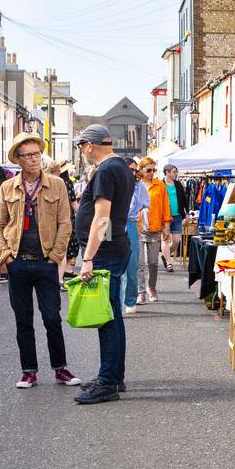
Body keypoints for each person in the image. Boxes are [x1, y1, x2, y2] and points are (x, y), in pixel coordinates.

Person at [0, 132, 82, 389]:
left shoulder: (57, 184)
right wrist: (5, 256)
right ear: (18, 159)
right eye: (28, 155)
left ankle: (60, 368)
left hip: (46, 262)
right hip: (17, 262)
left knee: (52, 316)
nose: (34, 159)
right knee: (23, 320)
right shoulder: (9, 187)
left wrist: (55, 256)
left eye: (36, 154)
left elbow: (66, 223)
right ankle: (28, 371)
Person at [73, 124, 136, 404]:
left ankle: (108, 382)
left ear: (89, 145)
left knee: (106, 317)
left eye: (81, 146)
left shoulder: (107, 169)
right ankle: (114, 376)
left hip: (106, 251)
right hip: (114, 246)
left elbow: (102, 218)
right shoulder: (120, 166)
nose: (82, 152)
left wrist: (87, 258)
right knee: (112, 314)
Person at [139, 158, 172, 303]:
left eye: (154, 170)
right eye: (149, 170)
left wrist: (167, 226)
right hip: (138, 228)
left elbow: (166, 206)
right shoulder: (135, 184)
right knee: (139, 263)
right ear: (141, 170)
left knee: (153, 262)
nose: (152, 173)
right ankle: (140, 292)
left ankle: (151, 287)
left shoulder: (160, 185)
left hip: (155, 228)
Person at [123, 158, 150, 315]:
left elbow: (146, 203)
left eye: (135, 170)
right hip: (111, 223)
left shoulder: (138, 186)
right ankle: (113, 301)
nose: (133, 173)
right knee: (111, 263)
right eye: (129, 169)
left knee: (132, 264)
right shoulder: (113, 182)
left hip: (131, 223)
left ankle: (131, 300)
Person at [162, 164, 188, 272]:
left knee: (177, 240)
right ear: (167, 172)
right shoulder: (160, 184)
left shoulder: (178, 184)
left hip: (177, 215)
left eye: (176, 172)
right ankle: (169, 263)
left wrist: (186, 213)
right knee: (165, 239)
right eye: (174, 172)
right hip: (164, 216)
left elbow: (184, 198)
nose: (175, 174)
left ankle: (165, 255)